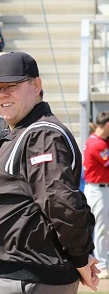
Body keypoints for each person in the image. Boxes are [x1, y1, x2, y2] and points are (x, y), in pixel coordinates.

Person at [0, 52, 99, 293]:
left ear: (36, 85)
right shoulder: (22, 131)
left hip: (31, 278)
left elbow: (60, 201)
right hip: (27, 274)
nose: (2, 94)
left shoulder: (42, 134)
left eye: (11, 86)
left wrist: (80, 257)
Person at [83, 111, 109, 279]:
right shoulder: (97, 143)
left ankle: (102, 262)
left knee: (102, 228)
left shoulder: (96, 140)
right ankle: (103, 265)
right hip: (98, 189)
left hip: (99, 188)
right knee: (101, 228)